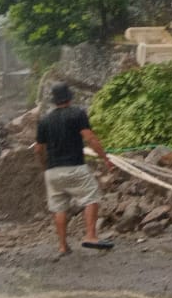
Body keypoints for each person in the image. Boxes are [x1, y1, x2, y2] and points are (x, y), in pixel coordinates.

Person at [33, 83, 115, 256]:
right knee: (91, 197)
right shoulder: (77, 114)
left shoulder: (44, 121)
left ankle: (63, 246)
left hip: (52, 171)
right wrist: (105, 158)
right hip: (74, 166)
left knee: (59, 208)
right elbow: (90, 138)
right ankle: (90, 236)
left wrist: (44, 166)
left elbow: (38, 149)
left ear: (54, 101)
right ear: (69, 98)